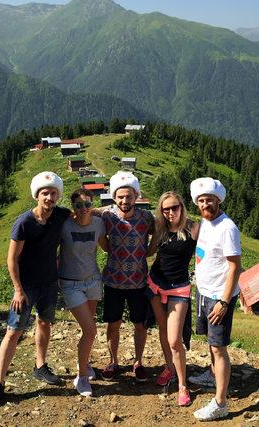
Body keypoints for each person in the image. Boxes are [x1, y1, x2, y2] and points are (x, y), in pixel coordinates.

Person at [0, 171, 71, 408]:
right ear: (37, 195)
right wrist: (17, 290)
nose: (49, 197)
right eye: (45, 193)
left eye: (54, 193)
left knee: (44, 323)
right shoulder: (24, 222)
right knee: (13, 331)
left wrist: (104, 212)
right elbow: (11, 259)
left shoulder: (60, 215)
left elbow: (82, 213)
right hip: (26, 286)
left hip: (50, 282)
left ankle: (40, 366)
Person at [188, 177, 242, 422]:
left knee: (219, 348)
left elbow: (234, 268)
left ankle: (221, 403)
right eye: (201, 200)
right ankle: (212, 376)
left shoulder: (227, 228)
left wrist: (224, 301)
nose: (205, 204)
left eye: (209, 199)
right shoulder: (205, 222)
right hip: (204, 292)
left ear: (218, 200)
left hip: (219, 297)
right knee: (211, 343)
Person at [98, 171, 154, 382]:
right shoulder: (107, 215)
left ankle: (138, 362)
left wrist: (151, 250)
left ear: (136, 196)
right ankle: (113, 361)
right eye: (120, 196)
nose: (124, 200)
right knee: (113, 324)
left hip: (138, 282)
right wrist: (106, 248)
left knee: (140, 324)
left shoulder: (146, 218)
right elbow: (91, 214)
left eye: (129, 196)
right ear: (114, 197)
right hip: (113, 281)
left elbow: (160, 229)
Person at [146, 191, 199, 406]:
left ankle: (182, 385)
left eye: (174, 207)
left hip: (179, 289)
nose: (170, 212)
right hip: (156, 284)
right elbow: (149, 252)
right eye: (165, 209)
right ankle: (169, 368)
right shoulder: (160, 229)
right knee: (162, 329)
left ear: (182, 207)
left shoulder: (194, 228)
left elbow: (209, 248)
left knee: (174, 340)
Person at [58, 189, 109, 396]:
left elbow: (106, 247)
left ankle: (85, 364)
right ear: (73, 207)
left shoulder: (99, 223)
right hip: (71, 284)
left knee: (89, 328)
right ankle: (81, 376)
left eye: (87, 204)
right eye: (79, 205)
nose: (84, 208)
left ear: (92, 204)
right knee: (90, 331)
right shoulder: (64, 224)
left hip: (93, 281)